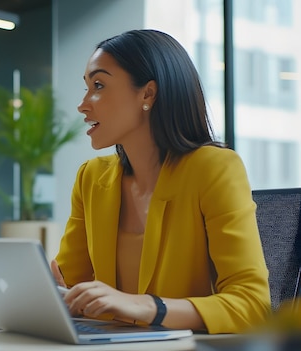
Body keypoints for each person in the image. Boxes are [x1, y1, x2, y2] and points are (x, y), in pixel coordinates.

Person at [50, 29, 270, 334]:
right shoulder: (91, 177)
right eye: (86, 88)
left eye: (98, 85)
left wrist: (145, 305)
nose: (83, 104)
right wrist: (55, 294)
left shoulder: (214, 168)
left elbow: (252, 305)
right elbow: (72, 285)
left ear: (148, 94)